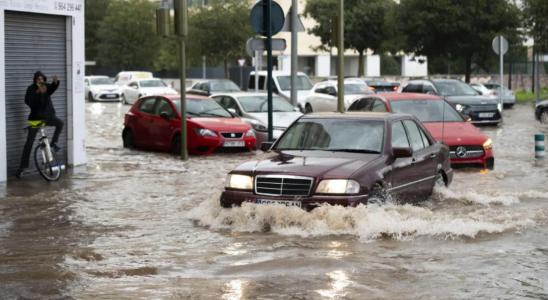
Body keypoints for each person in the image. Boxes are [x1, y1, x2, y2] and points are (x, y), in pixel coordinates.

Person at [16, 71, 64, 178]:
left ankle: (53, 143)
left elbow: (50, 89)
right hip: (35, 119)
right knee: (29, 144)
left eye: (42, 79)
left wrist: (55, 84)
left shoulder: (46, 87)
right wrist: (37, 92)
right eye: (39, 79)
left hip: (47, 117)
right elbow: (29, 102)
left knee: (60, 123)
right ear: (35, 79)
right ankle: (21, 168)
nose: (41, 80)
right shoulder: (31, 89)